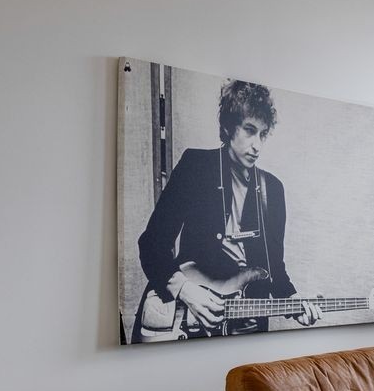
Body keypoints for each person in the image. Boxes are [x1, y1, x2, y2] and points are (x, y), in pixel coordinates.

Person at [137, 80, 320, 335]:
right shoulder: (196, 167)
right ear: (228, 125)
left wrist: (294, 300)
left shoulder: (273, 190)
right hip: (189, 320)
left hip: (248, 326)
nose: (257, 145)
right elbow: (151, 244)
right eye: (249, 130)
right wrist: (185, 291)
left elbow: (274, 269)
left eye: (263, 134)